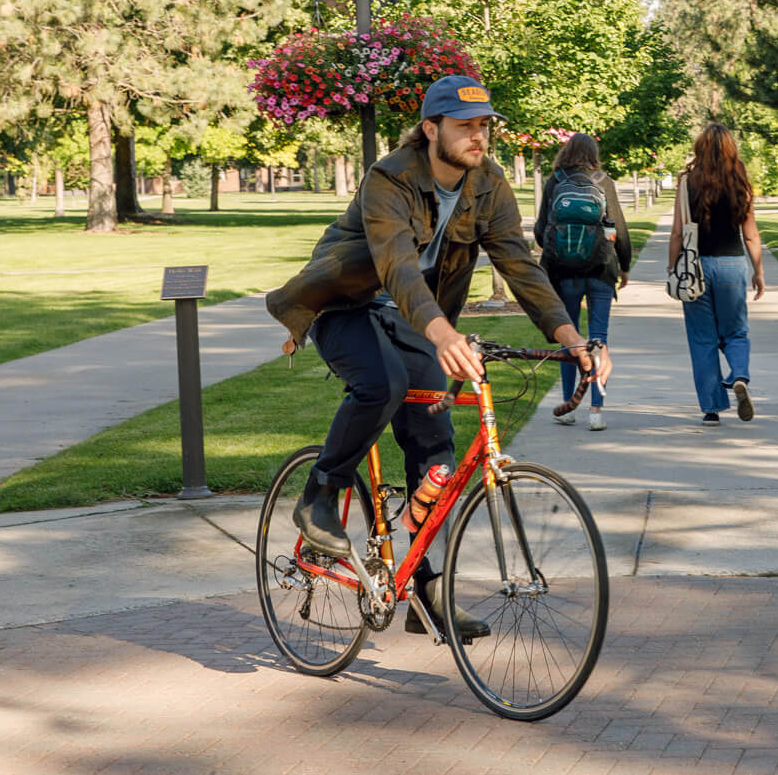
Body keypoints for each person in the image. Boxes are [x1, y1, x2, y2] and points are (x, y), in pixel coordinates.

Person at [264, 75, 610, 639]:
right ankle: (321, 494)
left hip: (417, 316)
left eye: (484, 126)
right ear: (431, 129)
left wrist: (571, 336)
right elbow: (397, 265)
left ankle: (430, 587)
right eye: (465, 126)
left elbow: (518, 264)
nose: (479, 137)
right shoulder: (389, 178)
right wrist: (444, 334)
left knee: (436, 445)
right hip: (348, 306)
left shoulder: (489, 184)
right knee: (383, 384)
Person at [534, 133, 633, 431]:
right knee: (598, 339)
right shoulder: (604, 181)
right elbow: (619, 229)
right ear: (594, 154)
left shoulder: (555, 181)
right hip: (601, 269)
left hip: (563, 272)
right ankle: (596, 411)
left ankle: (567, 407)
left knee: (570, 340)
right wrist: (624, 265)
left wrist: (560, 247)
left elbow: (541, 229)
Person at [669, 122, 764, 426]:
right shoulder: (739, 180)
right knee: (736, 331)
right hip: (731, 265)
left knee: (702, 339)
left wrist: (673, 269)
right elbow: (750, 235)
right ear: (730, 148)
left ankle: (711, 409)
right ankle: (738, 375)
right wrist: (758, 271)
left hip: (695, 267)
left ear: (700, 148)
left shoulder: (687, 181)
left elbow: (676, 232)